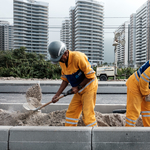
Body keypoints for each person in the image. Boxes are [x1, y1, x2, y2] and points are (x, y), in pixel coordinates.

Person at [48, 41, 98, 127]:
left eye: (60, 58)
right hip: (78, 89)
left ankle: (94, 134)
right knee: (71, 113)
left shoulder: (78, 57)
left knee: (87, 114)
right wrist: (57, 95)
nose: (60, 60)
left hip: (89, 86)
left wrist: (78, 87)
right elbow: (65, 80)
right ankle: (70, 133)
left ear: (66, 53)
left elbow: (91, 76)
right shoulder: (62, 62)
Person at [125, 60, 150, 127]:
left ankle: (148, 129)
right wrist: (146, 94)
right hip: (135, 85)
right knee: (133, 112)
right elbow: (144, 79)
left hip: (145, 86)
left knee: (147, 111)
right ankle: (128, 131)